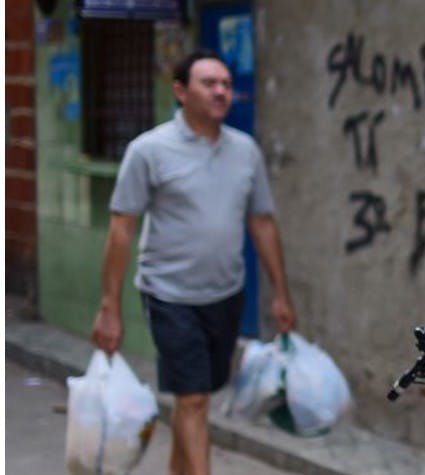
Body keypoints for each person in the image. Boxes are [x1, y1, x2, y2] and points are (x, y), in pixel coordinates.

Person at [90, 50, 297, 475]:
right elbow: (121, 230)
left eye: (225, 83)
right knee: (194, 398)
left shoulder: (245, 152)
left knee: (200, 397)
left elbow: (262, 224)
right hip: (169, 293)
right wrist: (109, 307)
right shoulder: (148, 151)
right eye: (209, 83)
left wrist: (280, 294)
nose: (221, 91)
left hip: (225, 292)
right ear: (181, 91)